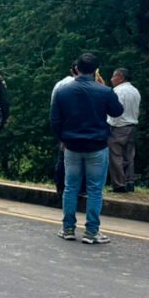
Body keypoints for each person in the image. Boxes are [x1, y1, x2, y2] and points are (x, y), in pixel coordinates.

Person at [51, 53, 123, 244]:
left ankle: (67, 228)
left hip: (72, 145)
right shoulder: (103, 91)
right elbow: (117, 111)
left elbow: (55, 119)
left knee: (70, 187)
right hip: (96, 145)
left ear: (77, 68)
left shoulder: (63, 91)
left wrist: (62, 139)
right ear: (95, 70)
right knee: (94, 189)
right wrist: (105, 86)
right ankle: (91, 231)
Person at [51, 62, 83, 196]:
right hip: (83, 126)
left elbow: (53, 107)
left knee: (64, 157)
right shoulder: (90, 86)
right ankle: (80, 188)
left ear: (72, 70)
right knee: (82, 159)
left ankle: (61, 187)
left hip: (65, 126)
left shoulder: (60, 85)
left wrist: (59, 132)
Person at [107, 68, 141, 193]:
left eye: (113, 76)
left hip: (119, 127)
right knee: (129, 155)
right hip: (132, 126)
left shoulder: (118, 91)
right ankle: (129, 182)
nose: (111, 79)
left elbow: (115, 110)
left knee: (116, 156)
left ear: (120, 77)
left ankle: (119, 184)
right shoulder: (135, 91)